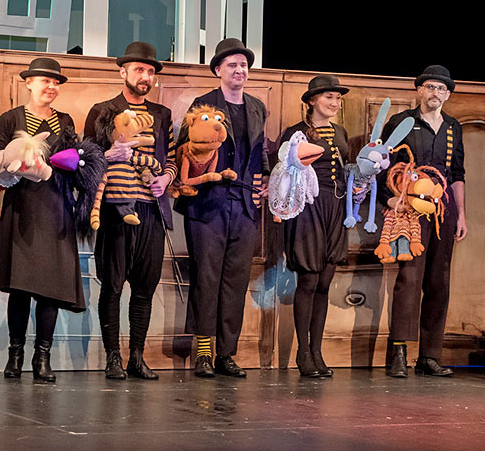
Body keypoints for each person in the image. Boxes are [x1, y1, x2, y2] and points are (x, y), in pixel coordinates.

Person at [175, 38, 269, 378]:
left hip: (244, 206)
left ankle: (226, 354)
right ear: (218, 70)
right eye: (232, 65)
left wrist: (266, 178)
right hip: (207, 204)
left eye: (243, 65)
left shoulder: (256, 107)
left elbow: (260, 150)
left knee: (236, 281)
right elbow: (183, 149)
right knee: (206, 277)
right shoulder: (203, 104)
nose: (239, 70)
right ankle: (203, 351)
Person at [83, 41, 177, 380]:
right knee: (112, 285)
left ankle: (137, 356)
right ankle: (113, 357)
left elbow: (172, 159)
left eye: (150, 71)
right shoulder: (103, 111)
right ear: (123, 72)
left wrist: (165, 178)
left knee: (144, 287)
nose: (145, 76)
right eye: (139, 69)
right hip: (113, 209)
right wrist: (109, 156)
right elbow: (85, 159)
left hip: (151, 210)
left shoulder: (162, 114)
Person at [0, 57, 86, 383]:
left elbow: (75, 163)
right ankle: (15, 354)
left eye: (56, 82)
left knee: (50, 288)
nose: (51, 87)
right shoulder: (10, 119)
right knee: (21, 287)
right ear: (29, 83)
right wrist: (13, 168)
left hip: (56, 207)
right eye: (46, 80)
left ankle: (42, 356)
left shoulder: (65, 121)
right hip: (22, 208)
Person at [381, 65, 467, 378]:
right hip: (410, 209)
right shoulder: (401, 121)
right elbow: (383, 164)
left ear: (448, 94)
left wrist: (461, 214)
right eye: (430, 87)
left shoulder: (453, 127)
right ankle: (398, 352)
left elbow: (457, 174)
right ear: (419, 90)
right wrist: (389, 200)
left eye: (441, 88)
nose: (435, 93)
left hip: (444, 210)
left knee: (439, 281)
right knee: (409, 279)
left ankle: (429, 356)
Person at [280, 75, 350, 377]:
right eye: (328, 97)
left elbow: (345, 169)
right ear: (312, 101)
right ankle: (303, 352)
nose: (334, 103)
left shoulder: (341, 132)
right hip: (308, 209)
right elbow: (284, 171)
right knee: (308, 281)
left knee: (324, 283)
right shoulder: (295, 133)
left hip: (335, 208)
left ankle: (317, 351)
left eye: (338, 98)